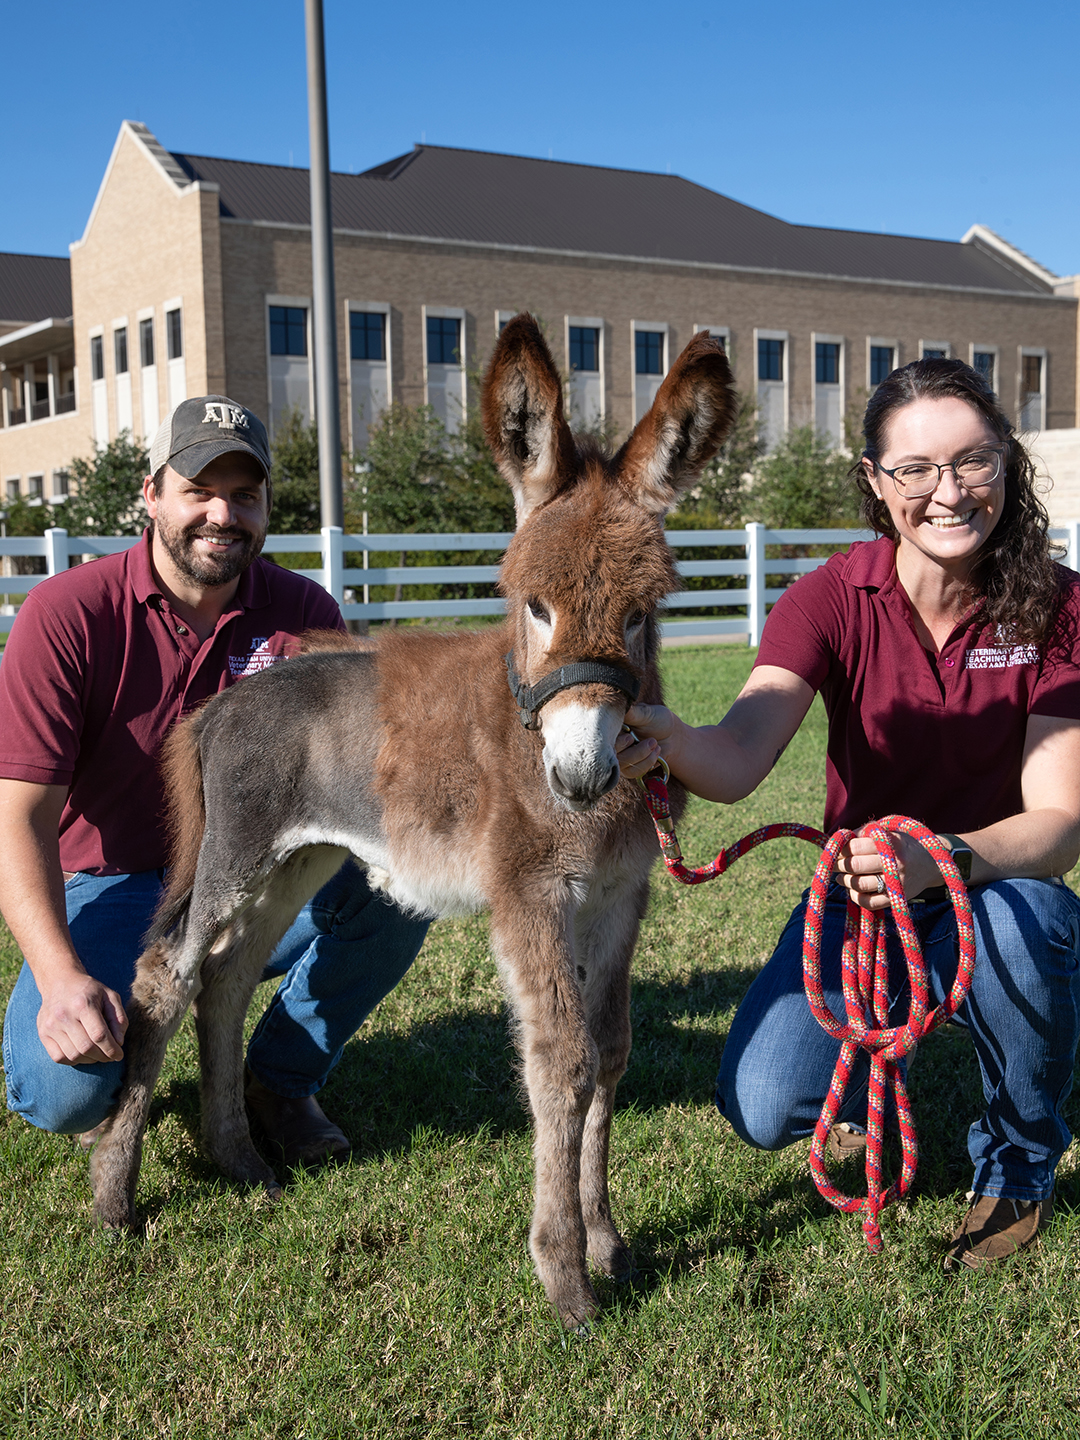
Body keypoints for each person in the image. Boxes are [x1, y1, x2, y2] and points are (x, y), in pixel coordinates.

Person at [617, 358, 1080, 1270]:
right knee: (762, 1105)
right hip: (862, 905)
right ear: (876, 481)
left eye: (973, 461)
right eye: (915, 469)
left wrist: (941, 857)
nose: (947, 492)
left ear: (1007, 465)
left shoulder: (1059, 607)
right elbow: (743, 755)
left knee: (1035, 923)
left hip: (995, 889)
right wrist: (666, 736)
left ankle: (1018, 1163)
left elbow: (1060, 823)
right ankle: (887, 1042)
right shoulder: (829, 599)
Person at [0, 395, 429, 1168]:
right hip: (111, 885)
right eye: (199, 488)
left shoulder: (303, 614)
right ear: (152, 493)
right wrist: (60, 977)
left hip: (253, 876)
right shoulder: (67, 615)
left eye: (246, 494)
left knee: (403, 888)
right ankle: (115, 1056)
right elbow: (18, 819)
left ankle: (279, 1080)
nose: (223, 513)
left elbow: (382, 754)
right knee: (63, 1090)